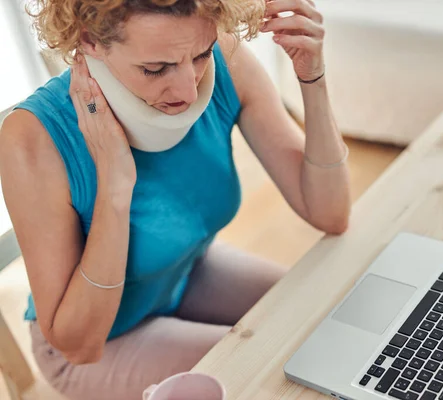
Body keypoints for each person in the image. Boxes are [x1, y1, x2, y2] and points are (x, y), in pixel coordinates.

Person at [0, 0, 350, 398]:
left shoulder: (225, 60)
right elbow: (78, 345)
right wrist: (115, 185)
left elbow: (331, 214)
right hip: (99, 343)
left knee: (331, 321)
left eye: (201, 55)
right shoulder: (32, 138)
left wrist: (312, 77)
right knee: (277, 370)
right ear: (89, 40)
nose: (189, 88)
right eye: (156, 69)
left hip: (184, 274)